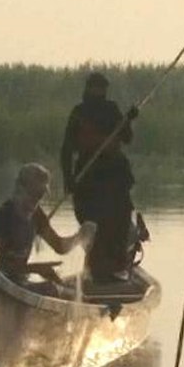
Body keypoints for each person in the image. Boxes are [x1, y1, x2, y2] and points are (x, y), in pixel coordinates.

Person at [60, 71, 141, 282]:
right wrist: (68, 178)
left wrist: (127, 120)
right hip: (89, 178)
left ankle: (116, 267)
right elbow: (66, 149)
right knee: (93, 224)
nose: (99, 93)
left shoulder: (111, 110)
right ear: (88, 89)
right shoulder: (79, 113)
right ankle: (96, 269)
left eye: (102, 89)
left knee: (119, 221)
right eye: (95, 88)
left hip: (114, 176)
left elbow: (127, 137)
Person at [0, 163, 96, 296]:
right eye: (33, 192)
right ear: (20, 188)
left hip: (19, 283)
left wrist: (79, 237)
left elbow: (59, 246)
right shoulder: (1, 217)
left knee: (68, 290)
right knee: (52, 289)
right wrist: (36, 269)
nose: (36, 199)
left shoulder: (37, 216)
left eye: (40, 195)